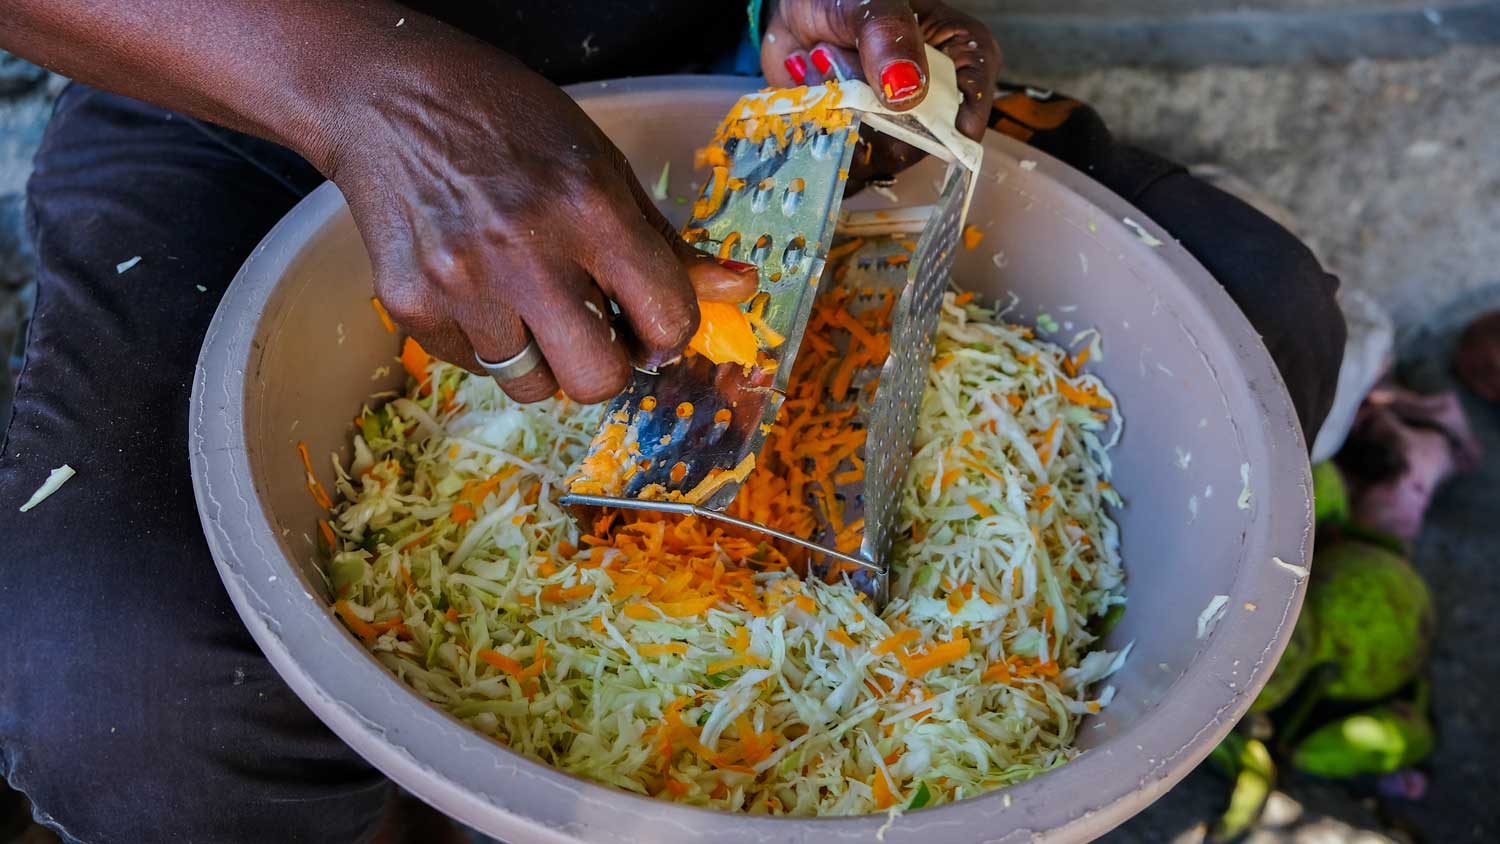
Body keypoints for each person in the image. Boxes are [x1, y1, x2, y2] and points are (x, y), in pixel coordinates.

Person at [0, 1, 1344, 841]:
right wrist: (367, 92)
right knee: (131, 713)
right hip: (247, 74)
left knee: (1264, 311)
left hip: (718, 51)